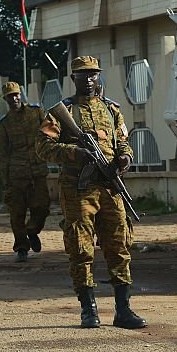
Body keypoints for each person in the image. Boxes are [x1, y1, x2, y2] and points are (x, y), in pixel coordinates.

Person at [36, 56, 147, 330]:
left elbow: (123, 142)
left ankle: (123, 310)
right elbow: (42, 147)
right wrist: (75, 152)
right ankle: (89, 310)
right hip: (79, 190)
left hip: (110, 188)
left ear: (99, 77)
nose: (88, 79)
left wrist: (124, 159)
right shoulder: (63, 112)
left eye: (93, 74)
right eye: (82, 75)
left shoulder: (111, 110)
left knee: (119, 246)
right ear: (73, 78)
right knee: (81, 248)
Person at [0, 81, 50, 262]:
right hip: (16, 175)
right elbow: (1, 154)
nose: (14, 99)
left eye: (16, 95)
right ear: (5, 99)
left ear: (21, 95)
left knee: (42, 208)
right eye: (10, 96)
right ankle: (22, 247)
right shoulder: (4, 125)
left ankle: (32, 231)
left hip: (38, 171)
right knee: (17, 213)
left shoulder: (36, 113)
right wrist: (6, 180)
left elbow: (50, 133)